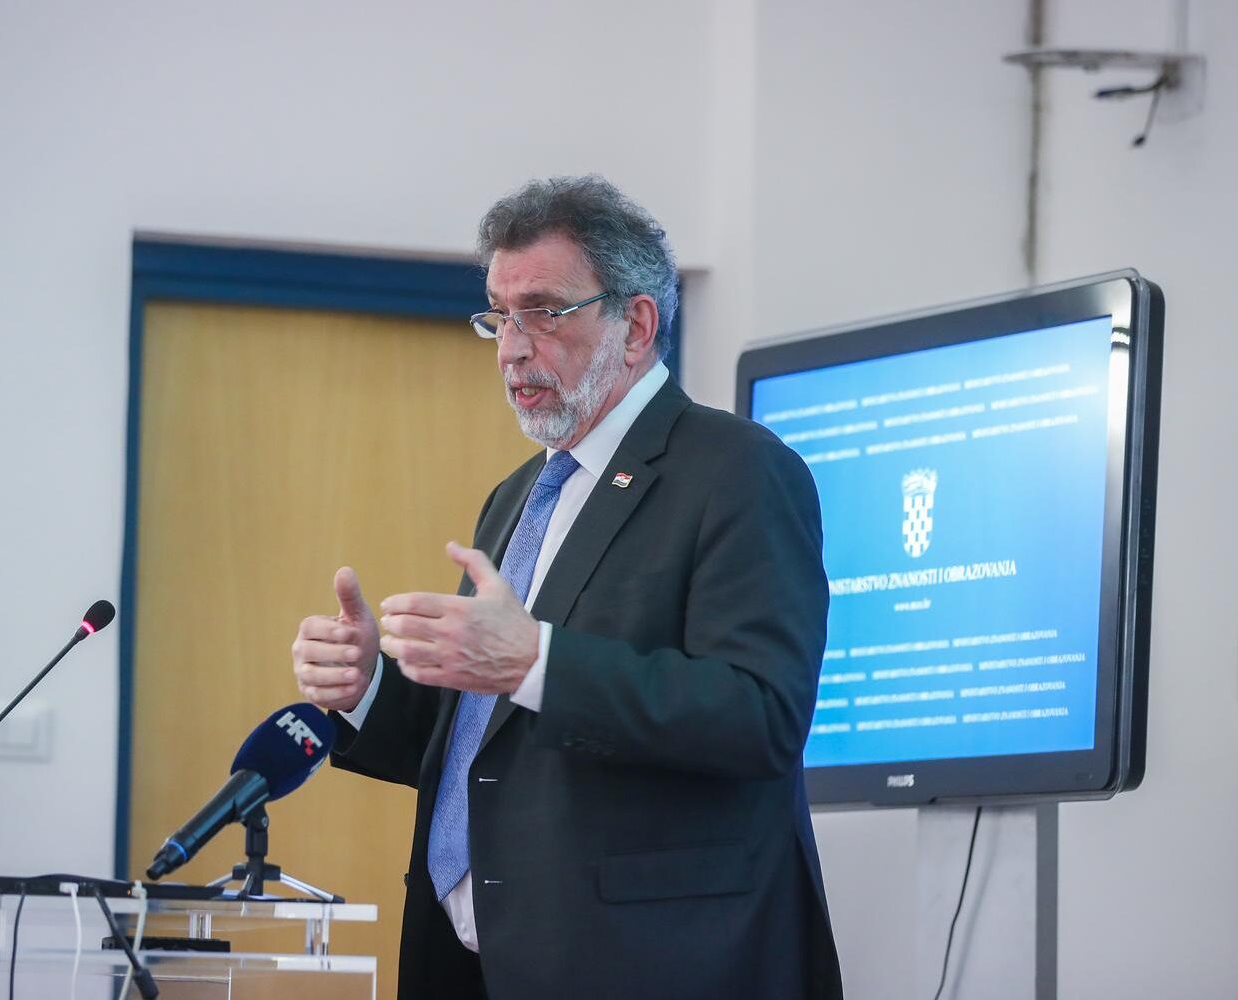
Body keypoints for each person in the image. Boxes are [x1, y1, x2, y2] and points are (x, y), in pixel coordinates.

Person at [293, 175, 842, 999]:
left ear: (636, 326)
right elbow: (489, 746)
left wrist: (536, 661)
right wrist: (369, 687)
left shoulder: (739, 471)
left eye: (543, 312)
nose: (511, 349)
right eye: (498, 316)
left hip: (651, 968)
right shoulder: (517, 496)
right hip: (479, 966)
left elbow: (759, 715)